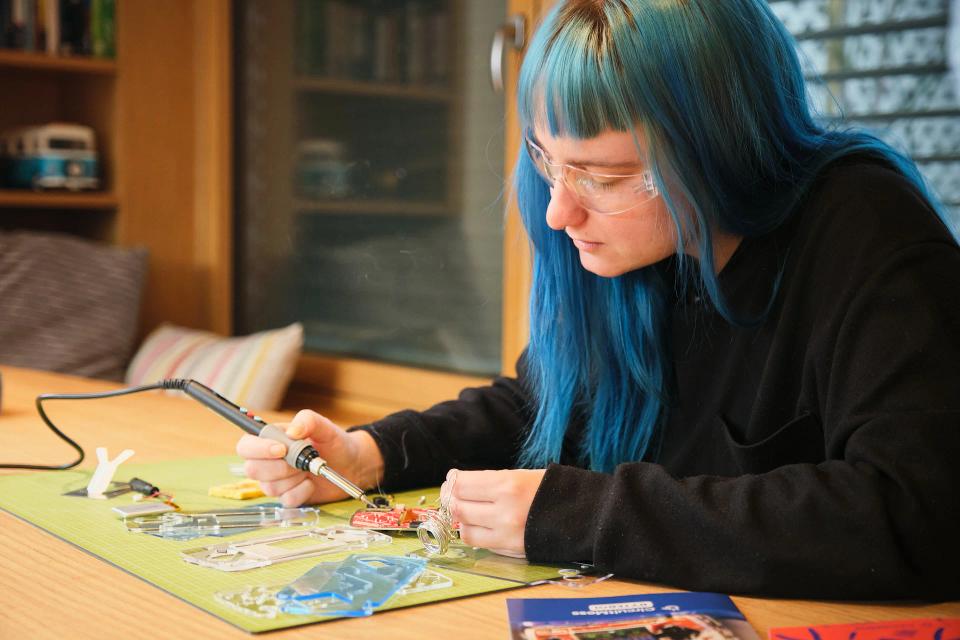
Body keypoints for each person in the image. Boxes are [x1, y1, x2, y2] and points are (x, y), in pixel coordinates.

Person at [238, 0, 960, 599]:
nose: (557, 213)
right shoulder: (634, 246)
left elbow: (916, 513)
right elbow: (540, 400)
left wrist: (574, 515)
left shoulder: (868, 229)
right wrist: (373, 453)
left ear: (720, 151)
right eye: (546, 161)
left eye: (605, 179)